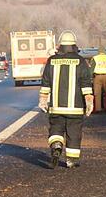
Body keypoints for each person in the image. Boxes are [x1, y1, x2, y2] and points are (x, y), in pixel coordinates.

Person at [38, 31, 93, 169]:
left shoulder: (51, 61)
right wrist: (89, 101)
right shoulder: (80, 61)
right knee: (74, 132)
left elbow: (45, 82)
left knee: (56, 128)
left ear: (60, 45)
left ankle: (56, 145)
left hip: (56, 106)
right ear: (74, 45)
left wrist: (43, 99)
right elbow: (86, 83)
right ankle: (71, 160)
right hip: (75, 107)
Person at [91, 46, 106, 113]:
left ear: (98, 51)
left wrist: (90, 77)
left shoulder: (95, 58)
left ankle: (98, 109)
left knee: (97, 93)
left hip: (97, 76)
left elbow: (91, 68)